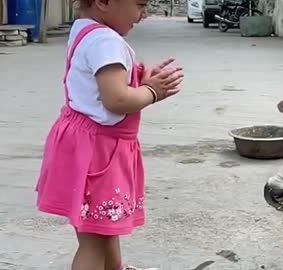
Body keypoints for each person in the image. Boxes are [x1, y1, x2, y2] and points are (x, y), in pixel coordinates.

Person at [35, 0, 184, 269]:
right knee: (93, 243)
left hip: (81, 145)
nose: (144, 14)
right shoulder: (106, 41)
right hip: (99, 154)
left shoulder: (84, 30)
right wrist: (152, 92)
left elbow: (97, 83)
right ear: (104, 2)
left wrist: (139, 78)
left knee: (104, 228)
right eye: (139, 5)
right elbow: (115, 99)